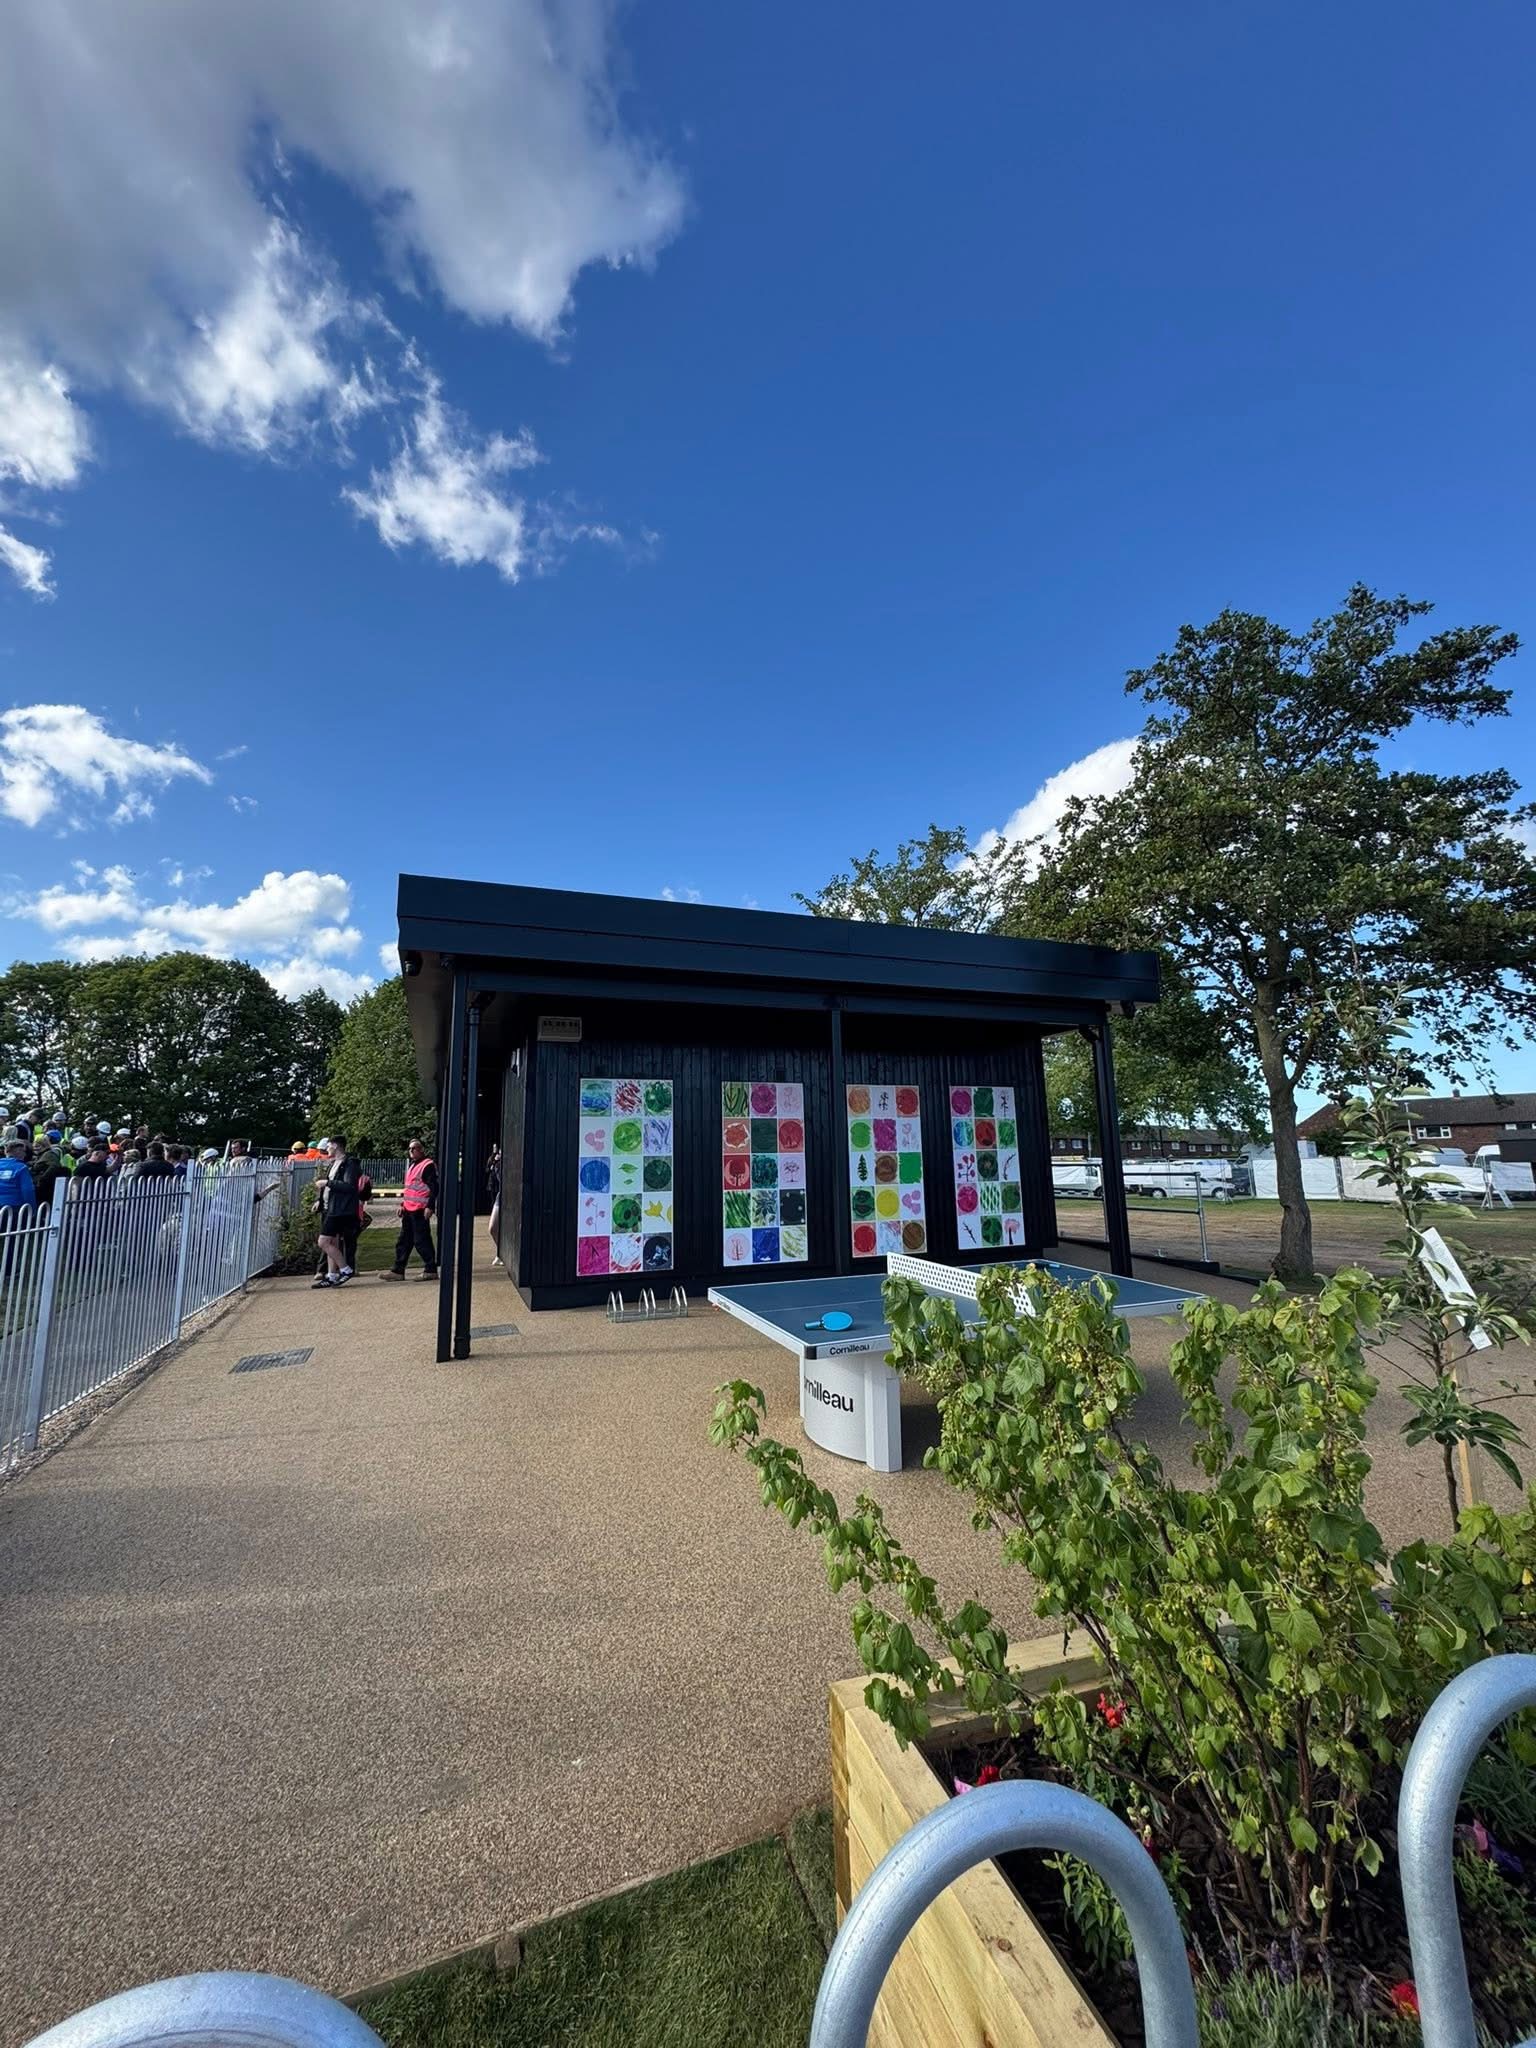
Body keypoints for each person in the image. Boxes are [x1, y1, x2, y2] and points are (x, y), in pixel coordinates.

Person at [384, 1138, 438, 1280]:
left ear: (422, 1149)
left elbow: (434, 1188)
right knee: (404, 1241)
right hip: (409, 1209)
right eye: (410, 1149)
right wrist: (402, 1205)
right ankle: (398, 1270)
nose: (411, 1151)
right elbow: (410, 1190)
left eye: (414, 1148)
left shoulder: (427, 1165)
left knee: (421, 1240)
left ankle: (430, 1269)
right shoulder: (413, 1166)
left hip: (420, 1209)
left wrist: (430, 1206)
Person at [314, 1138, 361, 1287]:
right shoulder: (334, 1163)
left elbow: (349, 1186)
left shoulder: (349, 1164)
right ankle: (331, 1275)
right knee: (332, 1242)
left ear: (335, 1146)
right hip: (331, 1207)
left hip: (340, 1210)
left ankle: (345, 1269)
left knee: (323, 1241)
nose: (327, 1149)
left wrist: (327, 1183)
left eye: (328, 1146)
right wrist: (320, 1201)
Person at [487, 1143, 503, 1267]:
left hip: (509, 1195)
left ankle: (501, 1254)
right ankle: (500, 1252)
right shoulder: (496, 1162)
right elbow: (488, 1169)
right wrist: (494, 1157)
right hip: (500, 1195)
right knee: (492, 1227)